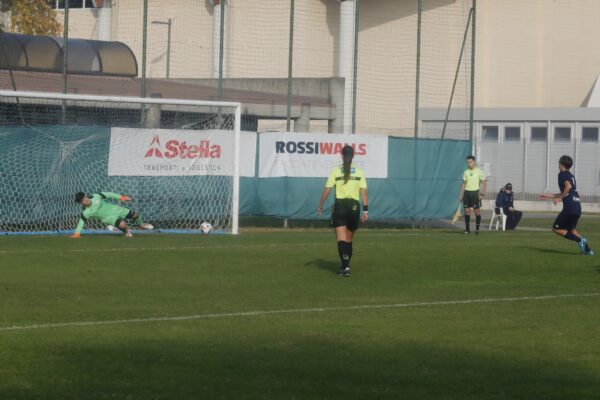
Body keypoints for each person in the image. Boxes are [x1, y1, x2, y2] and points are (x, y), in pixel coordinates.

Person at [317, 145, 368, 277]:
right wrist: (365, 211)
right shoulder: (359, 172)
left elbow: (327, 189)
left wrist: (321, 205)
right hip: (354, 207)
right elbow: (363, 193)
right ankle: (346, 266)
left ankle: (345, 267)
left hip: (340, 206)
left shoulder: (335, 171)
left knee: (341, 239)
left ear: (341, 156)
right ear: (353, 156)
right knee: (349, 239)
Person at [540, 155, 594, 255]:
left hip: (570, 208)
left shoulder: (562, 174)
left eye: (559, 163)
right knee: (571, 229)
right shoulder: (571, 175)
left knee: (556, 228)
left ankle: (579, 240)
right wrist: (549, 196)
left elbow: (567, 187)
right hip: (577, 207)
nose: (558, 165)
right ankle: (588, 250)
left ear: (561, 164)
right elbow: (567, 191)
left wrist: (559, 198)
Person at [71, 191, 153, 238]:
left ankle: (141, 225)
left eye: (83, 199)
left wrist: (122, 197)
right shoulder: (85, 212)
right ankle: (126, 232)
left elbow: (109, 194)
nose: (84, 202)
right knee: (123, 225)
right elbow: (81, 222)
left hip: (115, 209)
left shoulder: (96, 196)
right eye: (81, 202)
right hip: (108, 218)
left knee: (135, 215)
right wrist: (77, 233)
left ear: (85, 196)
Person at [459, 155, 486, 235]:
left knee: (477, 212)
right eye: (467, 162)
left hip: (475, 193)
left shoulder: (479, 171)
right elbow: (464, 184)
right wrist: (461, 195)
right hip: (467, 193)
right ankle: (467, 229)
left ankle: (477, 229)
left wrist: (482, 194)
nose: (468, 164)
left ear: (474, 162)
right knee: (467, 211)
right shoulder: (466, 172)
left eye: (470, 162)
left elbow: (484, 183)